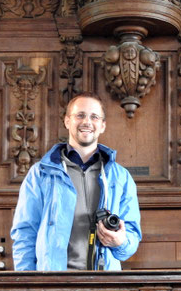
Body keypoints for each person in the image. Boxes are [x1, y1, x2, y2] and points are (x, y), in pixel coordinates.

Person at [11, 92, 142, 271]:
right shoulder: (40, 174)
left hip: (106, 288)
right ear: (67, 121)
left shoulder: (121, 177)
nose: (87, 122)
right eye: (80, 115)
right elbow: (25, 234)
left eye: (94, 117)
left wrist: (120, 241)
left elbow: (131, 240)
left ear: (102, 125)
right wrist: (29, 287)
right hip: (54, 286)